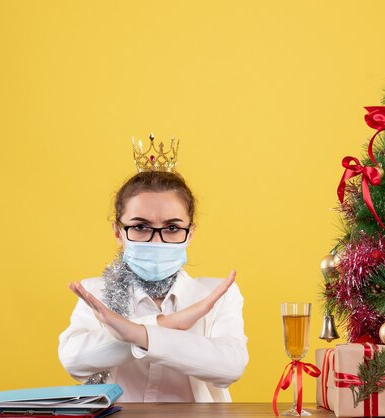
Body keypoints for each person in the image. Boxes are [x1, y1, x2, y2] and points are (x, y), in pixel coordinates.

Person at [58, 136, 248, 402]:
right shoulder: (95, 292)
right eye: (140, 226)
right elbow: (74, 359)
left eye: (172, 228)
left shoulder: (215, 293)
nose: (156, 240)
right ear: (117, 232)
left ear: (190, 233)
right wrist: (166, 325)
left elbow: (229, 366)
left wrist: (138, 332)